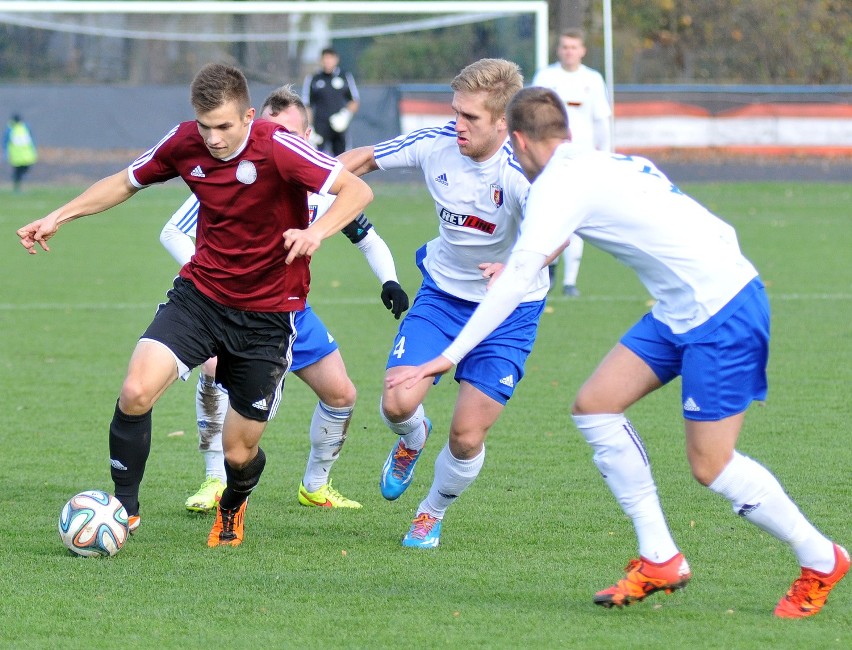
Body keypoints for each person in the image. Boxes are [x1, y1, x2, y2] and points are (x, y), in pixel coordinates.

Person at [389, 86, 849, 618]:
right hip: (686, 305)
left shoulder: (557, 186)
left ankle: (821, 558)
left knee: (712, 466)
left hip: (721, 313)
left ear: (515, 139)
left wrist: (449, 356)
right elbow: (712, 226)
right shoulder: (609, 162)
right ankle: (660, 557)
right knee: (596, 405)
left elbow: (519, 275)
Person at [16, 63, 373, 548]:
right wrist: (60, 214)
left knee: (239, 452)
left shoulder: (280, 146)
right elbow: (125, 181)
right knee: (135, 390)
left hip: (268, 316)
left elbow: (358, 189)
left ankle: (232, 506)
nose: (214, 138)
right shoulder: (185, 141)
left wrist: (315, 232)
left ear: (249, 115)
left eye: (225, 126)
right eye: (205, 126)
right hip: (201, 297)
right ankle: (125, 508)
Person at [160, 85, 408, 513]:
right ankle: (215, 481)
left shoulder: (321, 180)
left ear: (307, 137)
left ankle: (315, 485)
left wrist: (390, 280)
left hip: (289, 309)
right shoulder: (233, 174)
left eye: (291, 133)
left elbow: (367, 237)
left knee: (341, 394)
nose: (281, 141)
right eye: (273, 131)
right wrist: (215, 275)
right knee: (214, 370)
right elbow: (172, 231)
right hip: (227, 304)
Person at [338, 59, 548, 549]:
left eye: (471, 117)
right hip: (443, 297)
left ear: (504, 124)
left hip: (510, 313)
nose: (459, 124)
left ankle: (430, 513)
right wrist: (305, 177)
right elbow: (363, 159)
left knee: (467, 437)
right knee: (396, 402)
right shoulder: (437, 142)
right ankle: (413, 438)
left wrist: (518, 265)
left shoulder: (522, 172)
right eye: (456, 111)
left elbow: (552, 231)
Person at [532, 28, 612, 297]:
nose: (569, 51)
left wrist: (606, 154)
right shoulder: (545, 77)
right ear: (559, 50)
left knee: (577, 216)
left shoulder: (593, 79)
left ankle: (570, 282)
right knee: (547, 213)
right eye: (565, 46)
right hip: (549, 158)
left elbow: (601, 119)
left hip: (582, 159)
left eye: (574, 47)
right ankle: (549, 266)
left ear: (583, 50)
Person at [302, 47, 360, 156]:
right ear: (321, 60)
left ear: (336, 59)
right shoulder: (313, 78)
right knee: (316, 158)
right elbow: (307, 104)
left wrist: (345, 115)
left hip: (339, 126)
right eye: (325, 58)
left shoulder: (345, 76)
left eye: (331, 58)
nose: (328, 61)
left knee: (344, 159)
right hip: (320, 127)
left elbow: (354, 101)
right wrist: (309, 126)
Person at [3, 114, 38, 193]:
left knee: (23, 171)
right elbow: (5, 142)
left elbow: (31, 140)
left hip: (26, 155)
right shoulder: (10, 129)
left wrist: (34, 149)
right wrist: (6, 153)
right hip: (17, 156)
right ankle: (17, 188)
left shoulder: (25, 127)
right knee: (17, 173)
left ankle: (20, 184)